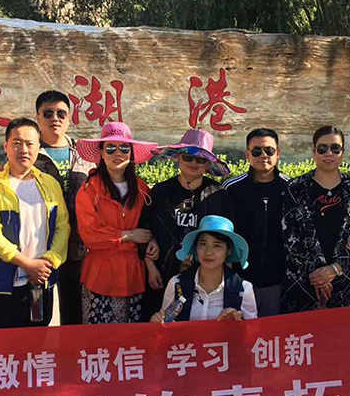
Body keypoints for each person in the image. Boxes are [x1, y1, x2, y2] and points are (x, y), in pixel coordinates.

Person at [0, 117, 69, 328]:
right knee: (6, 344)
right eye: (17, 143)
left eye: (29, 144)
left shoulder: (50, 184)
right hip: (7, 283)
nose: (23, 150)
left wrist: (48, 262)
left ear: (38, 147)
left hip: (42, 279)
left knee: (39, 342)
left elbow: (62, 226)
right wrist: (28, 265)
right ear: (6, 146)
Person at [141, 128, 235, 319]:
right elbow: (146, 229)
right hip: (163, 273)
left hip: (206, 276)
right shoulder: (160, 191)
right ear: (178, 158)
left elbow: (229, 238)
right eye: (188, 157)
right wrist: (150, 266)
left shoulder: (218, 194)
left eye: (200, 159)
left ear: (207, 164)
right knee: (161, 323)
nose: (194, 163)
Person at [281, 125, 350, 312]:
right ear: (314, 151)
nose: (329, 153)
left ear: (342, 152)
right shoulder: (296, 187)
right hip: (303, 279)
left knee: (344, 329)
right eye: (322, 149)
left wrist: (334, 269)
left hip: (345, 280)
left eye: (335, 148)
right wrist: (318, 275)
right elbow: (289, 234)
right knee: (302, 329)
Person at [75, 122, 157, 324]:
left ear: (131, 153)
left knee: (132, 338)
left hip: (134, 274)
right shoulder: (89, 189)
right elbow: (90, 235)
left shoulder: (142, 190)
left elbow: (151, 224)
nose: (117, 153)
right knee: (99, 339)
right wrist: (128, 235)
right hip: (100, 274)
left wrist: (152, 240)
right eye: (110, 148)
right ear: (101, 153)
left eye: (124, 148)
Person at [33, 90, 94, 325]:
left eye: (61, 113)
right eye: (48, 113)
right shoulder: (29, 153)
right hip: (40, 249)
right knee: (37, 315)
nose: (55, 119)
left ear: (69, 117)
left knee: (75, 315)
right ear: (38, 117)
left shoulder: (85, 154)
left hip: (79, 247)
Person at [223, 128, 289, 317]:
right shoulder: (231, 188)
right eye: (256, 151)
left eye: (269, 150)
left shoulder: (291, 187)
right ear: (247, 154)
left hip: (278, 280)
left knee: (273, 331)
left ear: (278, 153)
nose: (263, 156)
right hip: (239, 279)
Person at [151, 215, 257, 322]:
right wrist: (156, 322)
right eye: (203, 244)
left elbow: (253, 330)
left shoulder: (243, 289)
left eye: (217, 245)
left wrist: (237, 323)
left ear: (228, 250)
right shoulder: (177, 283)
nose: (208, 252)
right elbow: (165, 325)